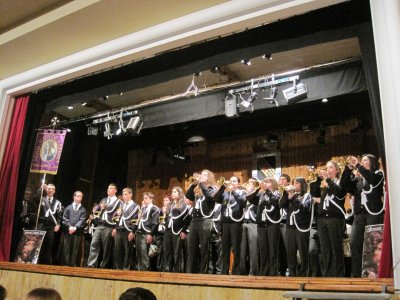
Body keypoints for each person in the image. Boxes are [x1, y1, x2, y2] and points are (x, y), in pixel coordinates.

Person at [342, 154, 384, 277]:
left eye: (366, 160)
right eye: (362, 160)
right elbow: (345, 185)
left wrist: (359, 166)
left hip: (373, 213)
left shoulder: (378, 175)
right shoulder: (358, 180)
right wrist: (348, 168)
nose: (362, 162)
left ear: (372, 162)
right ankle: (356, 275)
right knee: (355, 243)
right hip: (359, 215)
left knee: (372, 244)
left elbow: (371, 180)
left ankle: (373, 274)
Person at [313, 161, 347, 277]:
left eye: (331, 167)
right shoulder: (324, 185)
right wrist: (319, 180)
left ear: (337, 170)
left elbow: (339, 193)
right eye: (327, 168)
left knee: (335, 247)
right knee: (325, 248)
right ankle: (327, 275)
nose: (328, 170)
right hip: (322, 219)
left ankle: (338, 275)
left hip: (335, 218)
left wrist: (328, 180)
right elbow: (313, 194)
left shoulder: (340, 182)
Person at [185, 170, 217, 273]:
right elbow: (188, 196)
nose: (201, 176)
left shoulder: (212, 188)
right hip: (195, 220)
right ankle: (191, 271)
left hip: (206, 219)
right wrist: (193, 184)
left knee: (204, 247)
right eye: (201, 174)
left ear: (209, 177)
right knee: (192, 247)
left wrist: (201, 184)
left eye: (204, 175)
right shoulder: (198, 189)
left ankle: (204, 271)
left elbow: (209, 198)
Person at [214, 175, 247, 275]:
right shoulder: (225, 193)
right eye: (230, 181)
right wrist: (223, 187)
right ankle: (225, 270)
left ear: (238, 184)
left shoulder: (242, 193)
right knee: (225, 248)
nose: (231, 183)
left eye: (234, 181)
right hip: (225, 223)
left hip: (235, 223)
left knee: (236, 248)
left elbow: (243, 203)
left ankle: (235, 271)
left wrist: (233, 192)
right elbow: (216, 198)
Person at [280, 177, 312, 276]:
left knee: (303, 252)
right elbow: (281, 205)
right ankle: (292, 273)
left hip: (301, 227)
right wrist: (286, 193)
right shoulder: (291, 195)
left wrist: (293, 198)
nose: (294, 185)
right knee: (290, 252)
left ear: (302, 185)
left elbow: (304, 209)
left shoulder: (307, 195)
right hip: (290, 227)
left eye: (297, 183)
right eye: (293, 183)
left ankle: (303, 274)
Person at [249, 178, 282, 276]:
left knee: (273, 249)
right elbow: (249, 199)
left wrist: (267, 190)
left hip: (272, 224)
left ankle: (273, 271)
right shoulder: (261, 195)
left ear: (273, 184)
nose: (265, 184)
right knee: (263, 249)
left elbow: (275, 201)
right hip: (261, 225)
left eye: (267, 182)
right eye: (264, 182)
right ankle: (264, 271)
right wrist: (258, 188)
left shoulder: (277, 193)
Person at [87, 183, 122, 268]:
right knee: (94, 244)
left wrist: (115, 228)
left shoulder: (118, 202)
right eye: (108, 188)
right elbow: (96, 213)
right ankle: (91, 265)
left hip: (109, 226)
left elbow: (119, 216)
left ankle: (104, 266)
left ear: (115, 190)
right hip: (99, 225)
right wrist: (99, 207)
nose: (109, 190)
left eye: (111, 188)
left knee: (106, 248)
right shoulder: (103, 200)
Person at [162, 187, 189, 272]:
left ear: (179, 193)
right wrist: (165, 213)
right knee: (168, 250)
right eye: (172, 192)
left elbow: (186, 219)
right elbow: (167, 218)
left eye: (175, 192)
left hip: (177, 231)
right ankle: (168, 269)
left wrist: (184, 231)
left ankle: (177, 270)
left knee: (177, 252)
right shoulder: (170, 204)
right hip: (168, 230)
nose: (172, 193)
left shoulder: (183, 205)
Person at [113, 187, 140, 270]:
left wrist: (133, 232)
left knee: (127, 251)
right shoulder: (121, 205)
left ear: (130, 194)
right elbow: (116, 219)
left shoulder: (135, 206)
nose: (124, 196)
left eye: (126, 194)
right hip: (119, 230)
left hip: (128, 230)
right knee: (118, 251)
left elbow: (136, 221)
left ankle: (126, 269)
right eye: (123, 194)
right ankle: (119, 269)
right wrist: (115, 228)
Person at [37, 184, 63, 265]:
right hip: (41, 225)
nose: (50, 190)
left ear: (54, 191)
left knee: (49, 246)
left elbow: (59, 216)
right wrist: (40, 189)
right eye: (49, 188)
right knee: (39, 245)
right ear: (46, 190)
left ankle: (45, 264)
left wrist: (58, 225)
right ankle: (37, 262)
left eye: (52, 189)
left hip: (51, 227)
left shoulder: (57, 203)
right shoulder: (42, 199)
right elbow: (35, 197)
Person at [60, 191, 86, 267]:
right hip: (68, 232)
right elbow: (64, 219)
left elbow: (82, 220)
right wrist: (70, 226)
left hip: (77, 233)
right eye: (78, 196)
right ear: (74, 197)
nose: (80, 198)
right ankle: (65, 264)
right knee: (66, 248)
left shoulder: (83, 209)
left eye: (81, 196)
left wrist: (75, 227)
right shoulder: (68, 207)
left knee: (75, 249)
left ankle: (72, 265)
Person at [240, 178, 260, 276]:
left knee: (253, 250)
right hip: (244, 223)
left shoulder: (257, 196)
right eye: (248, 182)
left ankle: (253, 272)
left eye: (251, 183)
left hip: (253, 223)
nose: (248, 184)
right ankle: (243, 272)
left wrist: (252, 191)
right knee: (243, 250)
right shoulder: (243, 196)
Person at [136, 192, 159, 271]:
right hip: (139, 233)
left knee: (145, 254)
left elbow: (155, 223)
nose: (144, 200)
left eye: (146, 198)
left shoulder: (154, 209)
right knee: (139, 254)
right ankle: (140, 271)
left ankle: (146, 272)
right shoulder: (143, 208)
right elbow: (138, 220)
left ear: (151, 199)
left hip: (146, 233)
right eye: (144, 198)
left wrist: (151, 234)